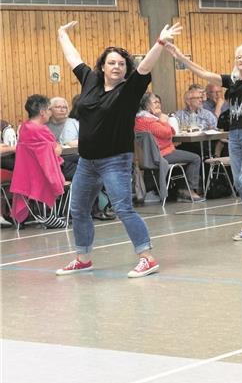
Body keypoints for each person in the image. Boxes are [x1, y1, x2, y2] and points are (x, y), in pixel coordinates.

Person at [54, 19, 180, 277]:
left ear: (126, 69)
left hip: (115, 160)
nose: (117, 66)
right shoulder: (89, 80)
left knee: (123, 208)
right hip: (86, 162)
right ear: (102, 66)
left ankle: (147, 257)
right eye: (111, 62)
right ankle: (83, 258)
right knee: (78, 209)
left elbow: (145, 67)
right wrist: (61, 34)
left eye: (122, 64)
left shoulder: (129, 89)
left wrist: (159, 42)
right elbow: (73, 57)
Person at [165, 6, 242, 240]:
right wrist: (181, 58)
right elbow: (203, 73)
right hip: (236, 135)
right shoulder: (230, 82)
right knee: (241, 182)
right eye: (238, 56)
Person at [9, 95, 67, 229]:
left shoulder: (24, 127)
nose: (50, 113)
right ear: (42, 112)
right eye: (49, 110)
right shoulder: (40, 129)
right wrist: (57, 148)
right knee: (83, 169)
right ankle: (67, 212)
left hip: (28, 172)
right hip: (43, 171)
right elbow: (55, 151)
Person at [134, 92, 203, 201]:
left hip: (147, 157)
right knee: (195, 158)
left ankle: (179, 189)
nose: (158, 104)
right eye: (155, 102)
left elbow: (170, 133)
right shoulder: (149, 121)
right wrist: (165, 121)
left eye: (158, 102)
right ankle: (188, 190)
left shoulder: (139, 120)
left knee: (184, 153)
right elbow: (168, 133)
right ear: (147, 106)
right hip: (161, 155)